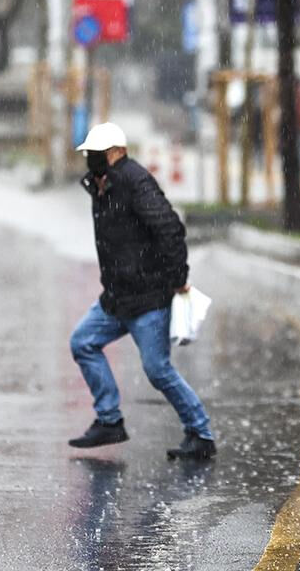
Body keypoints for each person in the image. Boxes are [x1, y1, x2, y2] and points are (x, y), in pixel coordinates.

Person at [67, 122, 217, 457]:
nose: (90, 159)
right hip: (117, 297)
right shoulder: (101, 185)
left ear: (117, 152)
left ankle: (201, 434)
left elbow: (170, 228)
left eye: (96, 153)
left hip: (148, 298)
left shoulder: (135, 182)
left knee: (158, 369)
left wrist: (178, 278)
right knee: (83, 342)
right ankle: (109, 421)